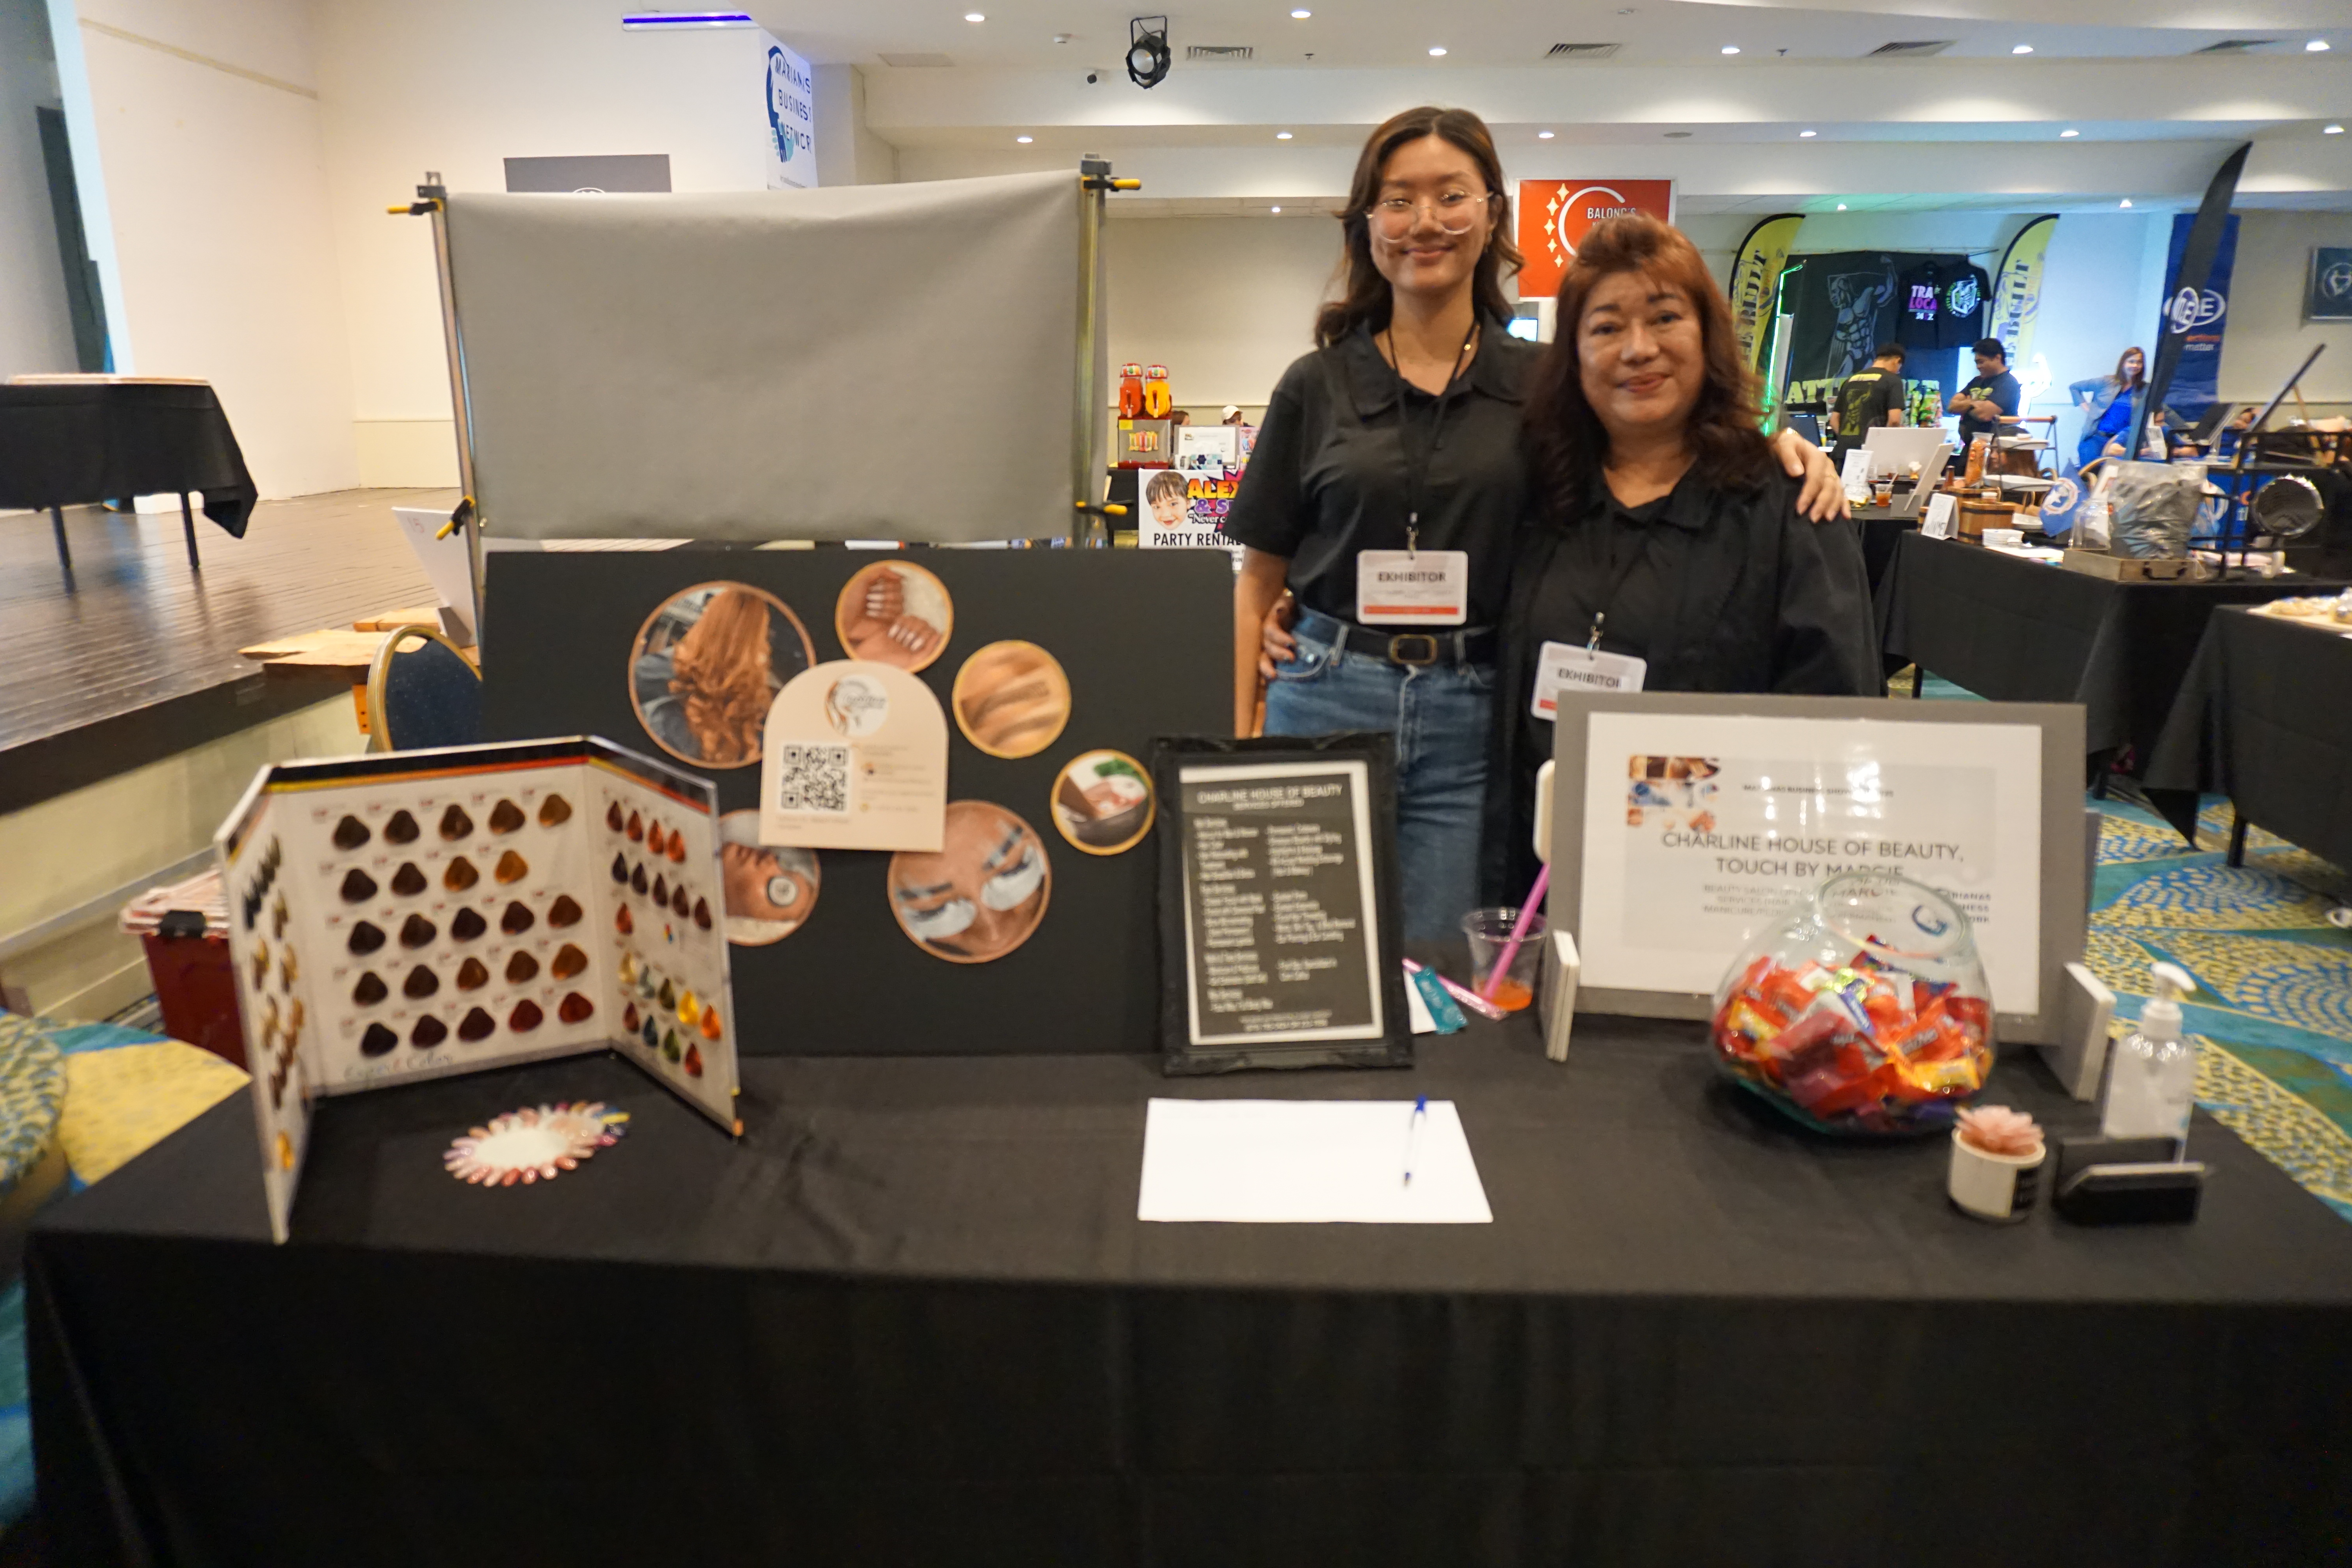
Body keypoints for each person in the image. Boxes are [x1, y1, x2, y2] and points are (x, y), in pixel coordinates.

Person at [1221, 105, 1847, 940]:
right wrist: (1242, 739)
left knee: (1446, 974)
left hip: (1475, 706)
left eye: (1452, 195)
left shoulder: (1543, 384)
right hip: (1327, 686)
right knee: (1299, 949)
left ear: (1490, 216)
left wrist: (1776, 447)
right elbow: (1262, 573)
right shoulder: (1316, 382)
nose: (1426, 221)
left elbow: (1651, 438)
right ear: (1368, 222)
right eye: (1398, 199)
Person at [1483, 216, 1878, 902]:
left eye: (1665, 318)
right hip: (1538, 870)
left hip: (1715, 882)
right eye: (1606, 328)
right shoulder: (1536, 494)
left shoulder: (1786, 505)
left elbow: (1837, 722)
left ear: (1708, 336)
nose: (1639, 349)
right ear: (1572, 356)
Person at [1830, 342, 1907, 467]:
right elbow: (1894, 420)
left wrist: (1848, 440)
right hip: (1871, 455)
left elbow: (1834, 420)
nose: (1898, 371)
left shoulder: (1850, 380)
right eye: (1900, 367)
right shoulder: (1893, 381)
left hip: (1843, 453)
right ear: (1897, 360)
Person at [2069, 346, 2145, 468]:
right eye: (2131, 362)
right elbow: (2074, 387)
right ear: (2123, 363)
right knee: (2090, 474)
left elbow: (2163, 409)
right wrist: (2088, 410)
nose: (2135, 365)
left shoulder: (2144, 389)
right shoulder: (2106, 382)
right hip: (2096, 438)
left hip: (2121, 443)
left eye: (2139, 362)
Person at [1949, 337, 2021, 449]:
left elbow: (1984, 415)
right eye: (1977, 363)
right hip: (1970, 448)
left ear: (1997, 358)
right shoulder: (1976, 381)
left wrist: (1965, 405)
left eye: (1981, 362)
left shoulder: (2008, 383)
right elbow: (1952, 406)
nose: (1978, 367)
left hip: (1995, 451)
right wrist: (1973, 404)